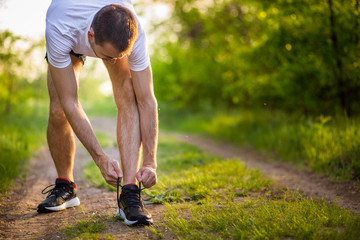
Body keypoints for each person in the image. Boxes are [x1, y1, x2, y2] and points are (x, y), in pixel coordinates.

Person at [37, 0, 158, 226]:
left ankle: (130, 192)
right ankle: (66, 186)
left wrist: (151, 162)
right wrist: (100, 158)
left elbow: (147, 101)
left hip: (111, 30)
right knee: (58, 110)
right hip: (71, 28)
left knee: (128, 94)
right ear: (90, 35)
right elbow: (70, 102)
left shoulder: (134, 29)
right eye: (107, 57)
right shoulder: (60, 26)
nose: (112, 62)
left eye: (117, 57)